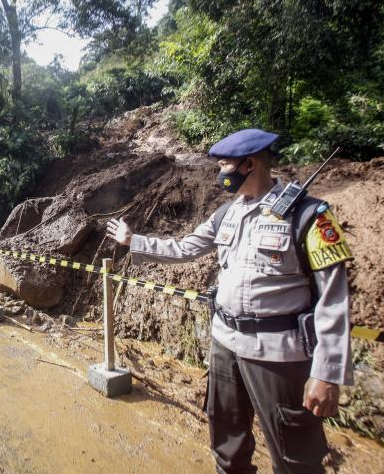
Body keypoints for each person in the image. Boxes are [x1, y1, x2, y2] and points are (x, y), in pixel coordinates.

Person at [107, 128, 353, 474]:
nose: (219, 174)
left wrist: (327, 374)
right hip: (225, 344)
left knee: (295, 455)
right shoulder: (228, 213)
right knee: (226, 438)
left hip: (277, 354)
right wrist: (134, 241)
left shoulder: (309, 216)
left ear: (249, 164)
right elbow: (185, 248)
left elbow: (334, 299)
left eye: (224, 166)